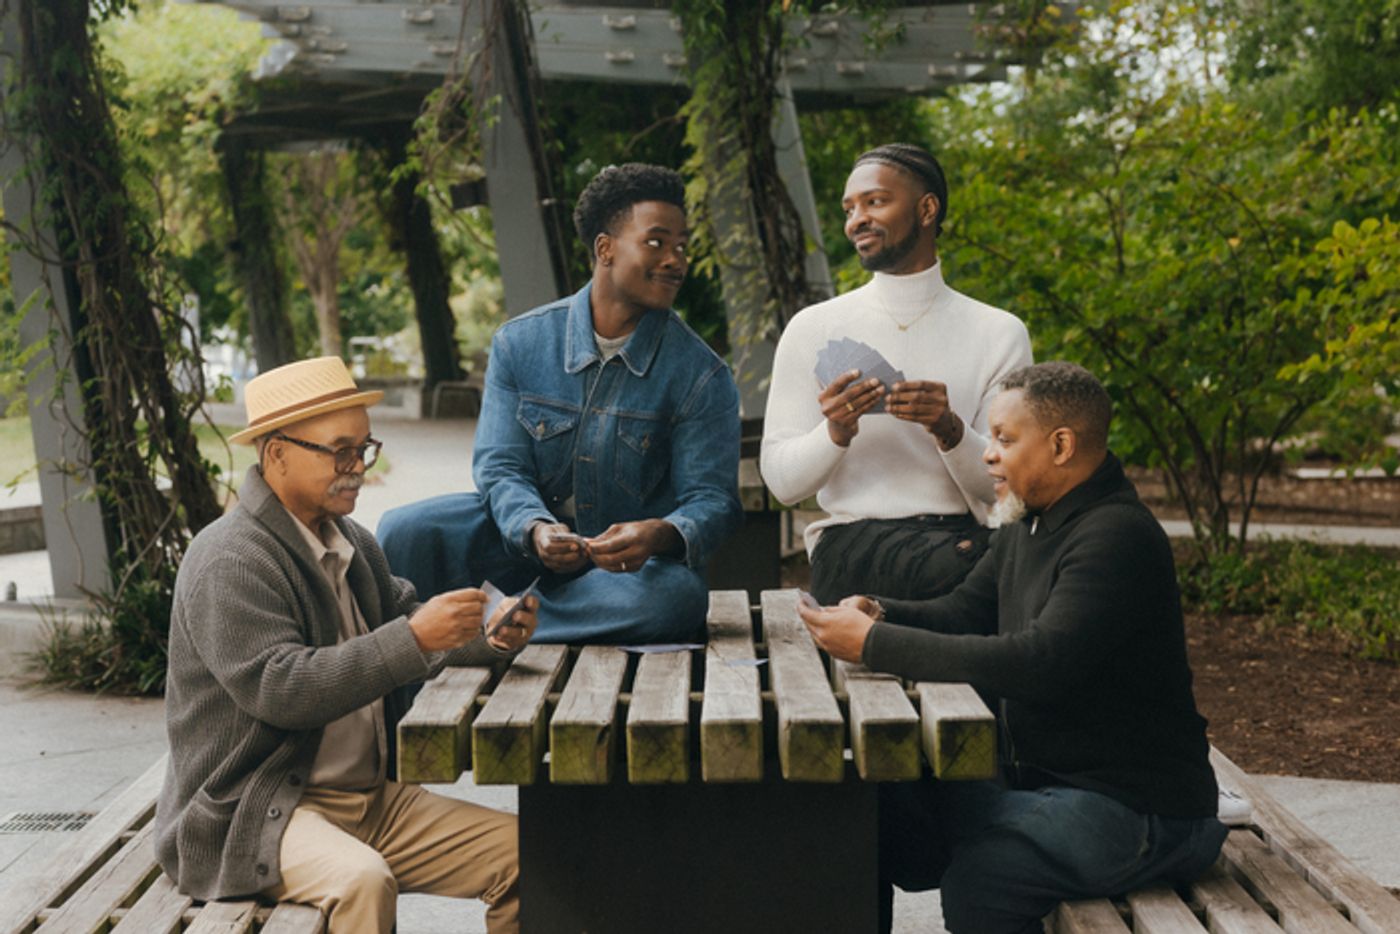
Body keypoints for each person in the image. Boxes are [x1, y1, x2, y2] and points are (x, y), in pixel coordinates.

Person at [797, 361, 1226, 934]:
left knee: (984, 877)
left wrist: (875, 644)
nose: (988, 455)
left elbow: (1038, 663)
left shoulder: (1117, 536)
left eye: (1003, 439)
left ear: (1061, 445)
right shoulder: (1027, 522)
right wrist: (880, 611)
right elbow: (962, 612)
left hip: (1143, 810)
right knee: (883, 806)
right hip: (1042, 783)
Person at [155, 356, 536, 934]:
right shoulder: (230, 559)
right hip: (256, 813)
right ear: (275, 453)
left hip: (371, 801)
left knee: (528, 857)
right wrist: (412, 638)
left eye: (365, 448)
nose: (357, 467)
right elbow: (281, 688)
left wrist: (488, 634)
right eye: (340, 451)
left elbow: (406, 617)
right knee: (363, 881)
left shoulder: (350, 538)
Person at [379, 163, 742, 644]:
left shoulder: (702, 374)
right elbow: (499, 467)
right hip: (522, 549)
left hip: (628, 575)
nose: (675, 260)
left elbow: (711, 501)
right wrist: (533, 528)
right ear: (605, 249)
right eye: (656, 242)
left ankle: (498, 623)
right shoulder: (520, 344)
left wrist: (659, 534)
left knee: (677, 599)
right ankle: (459, 633)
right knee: (404, 530)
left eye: (682, 247)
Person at [761, 142, 1032, 605]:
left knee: (1001, 564)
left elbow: (1009, 487)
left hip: (959, 548)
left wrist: (948, 429)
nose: (856, 219)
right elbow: (783, 485)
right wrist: (835, 432)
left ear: (927, 209)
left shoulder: (998, 331)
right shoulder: (813, 328)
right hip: (853, 551)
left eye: (875, 201)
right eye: (849, 208)